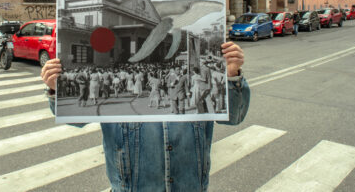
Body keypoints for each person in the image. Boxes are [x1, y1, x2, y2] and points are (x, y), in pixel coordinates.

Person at [41, 41, 249, 192]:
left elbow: (234, 117)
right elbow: (75, 118)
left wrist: (231, 76)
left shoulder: (193, 84)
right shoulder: (123, 87)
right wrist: (56, 90)